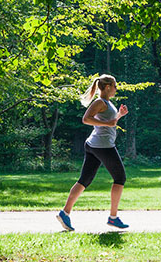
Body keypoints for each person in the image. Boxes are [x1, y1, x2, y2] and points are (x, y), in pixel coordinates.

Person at [56, 74, 129, 231]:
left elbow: (111, 123)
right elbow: (86, 119)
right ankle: (113, 217)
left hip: (94, 144)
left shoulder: (107, 103)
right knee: (120, 177)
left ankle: (65, 213)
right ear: (108, 87)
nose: (116, 89)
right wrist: (107, 122)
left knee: (85, 180)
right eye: (115, 86)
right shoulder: (99, 102)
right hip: (102, 145)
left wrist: (119, 115)